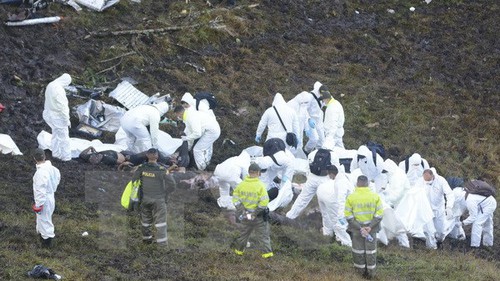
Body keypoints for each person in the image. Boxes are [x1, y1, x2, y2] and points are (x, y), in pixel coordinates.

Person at [132, 148, 176, 245]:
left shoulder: (141, 168)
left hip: (145, 198)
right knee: (161, 222)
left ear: (147, 156)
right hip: (159, 199)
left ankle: (147, 240)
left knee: (145, 221)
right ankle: (162, 244)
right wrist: (166, 193)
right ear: (157, 156)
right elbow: (172, 184)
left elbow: (134, 181)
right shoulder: (162, 170)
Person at [345, 175, 384, 279]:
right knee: (371, 250)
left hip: (357, 230)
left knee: (358, 250)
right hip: (371, 230)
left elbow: (348, 216)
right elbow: (380, 214)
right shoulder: (375, 197)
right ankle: (371, 273)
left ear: (357, 184)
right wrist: (370, 227)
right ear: (368, 184)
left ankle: (359, 272)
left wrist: (360, 228)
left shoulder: (351, 197)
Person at [232, 163, 273, 258]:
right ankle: (267, 256)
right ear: (259, 173)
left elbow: (235, 199)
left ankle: (238, 253)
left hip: (245, 216)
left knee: (243, 235)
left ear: (249, 172)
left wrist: (243, 211)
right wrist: (254, 213)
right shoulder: (260, 186)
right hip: (258, 217)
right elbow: (264, 202)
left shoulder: (241, 185)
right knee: (263, 237)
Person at [286, 148, 340, 219]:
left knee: (303, 198)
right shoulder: (334, 155)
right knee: (327, 200)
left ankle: (290, 216)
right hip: (325, 179)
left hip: (312, 178)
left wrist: (309, 179)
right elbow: (336, 171)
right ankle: (331, 222)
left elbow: (308, 168)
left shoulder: (313, 153)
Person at [174, 105, 220, 170]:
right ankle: (203, 164)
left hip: (212, 132)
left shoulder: (191, 118)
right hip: (208, 129)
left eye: (177, 115)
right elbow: (189, 132)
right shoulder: (187, 116)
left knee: (197, 149)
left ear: (180, 113)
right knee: (199, 147)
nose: (177, 117)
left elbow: (197, 134)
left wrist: (186, 138)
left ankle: (201, 168)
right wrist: (188, 147)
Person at [316, 165, 354, 246]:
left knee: (337, 222)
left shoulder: (341, 183)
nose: (330, 177)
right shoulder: (341, 178)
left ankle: (345, 242)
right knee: (333, 219)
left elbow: (341, 200)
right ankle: (333, 235)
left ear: (331, 173)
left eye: (329, 175)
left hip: (329, 198)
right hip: (327, 195)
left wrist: (340, 215)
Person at [31, 148, 61, 248]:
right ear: (44, 156)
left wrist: (39, 204)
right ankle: (42, 237)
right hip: (50, 195)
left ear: (34, 158)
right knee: (43, 219)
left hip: (44, 199)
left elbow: (40, 189)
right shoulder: (53, 169)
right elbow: (57, 179)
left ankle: (47, 243)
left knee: (45, 220)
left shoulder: (40, 173)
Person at [421, 168, 455, 249]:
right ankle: (431, 250)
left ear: (433, 176)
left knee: (440, 232)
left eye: (429, 181)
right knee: (429, 231)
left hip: (439, 210)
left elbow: (450, 194)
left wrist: (449, 207)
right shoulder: (420, 181)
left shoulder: (441, 181)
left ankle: (439, 242)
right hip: (426, 210)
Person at [457, 180, 497, 248]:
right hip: (489, 201)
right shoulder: (469, 194)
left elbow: (473, 217)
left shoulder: (469, 201)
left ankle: (475, 245)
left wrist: (463, 223)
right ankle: (488, 244)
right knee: (488, 223)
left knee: (477, 223)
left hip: (489, 205)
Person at [42, 73, 72, 161]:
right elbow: (62, 107)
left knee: (55, 134)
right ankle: (66, 157)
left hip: (49, 113)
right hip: (58, 116)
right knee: (64, 137)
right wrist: (67, 120)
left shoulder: (50, 85)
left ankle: (56, 153)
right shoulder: (59, 90)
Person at [303, 81, 326, 153]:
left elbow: (322, 107)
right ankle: (306, 151)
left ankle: (318, 155)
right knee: (314, 139)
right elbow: (304, 109)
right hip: (310, 121)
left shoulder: (322, 96)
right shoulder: (310, 97)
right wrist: (309, 119)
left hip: (318, 120)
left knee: (322, 140)